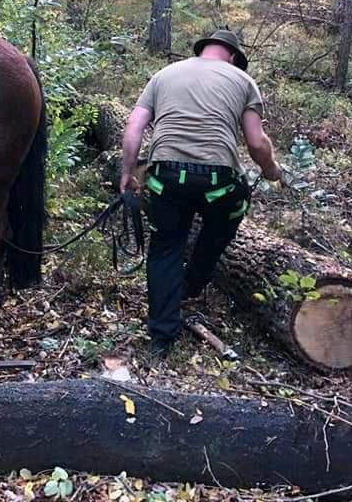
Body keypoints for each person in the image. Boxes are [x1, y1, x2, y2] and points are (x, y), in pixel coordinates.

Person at [119, 30, 284, 356]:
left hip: (165, 177)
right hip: (218, 182)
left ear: (202, 51)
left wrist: (126, 173)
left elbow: (133, 127)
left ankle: (162, 336)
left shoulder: (163, 75)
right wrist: (272, 170)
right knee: (223, 223)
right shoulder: (242, 80)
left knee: (165, 247)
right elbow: (255, 142)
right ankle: (192, 283)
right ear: (234, 57)